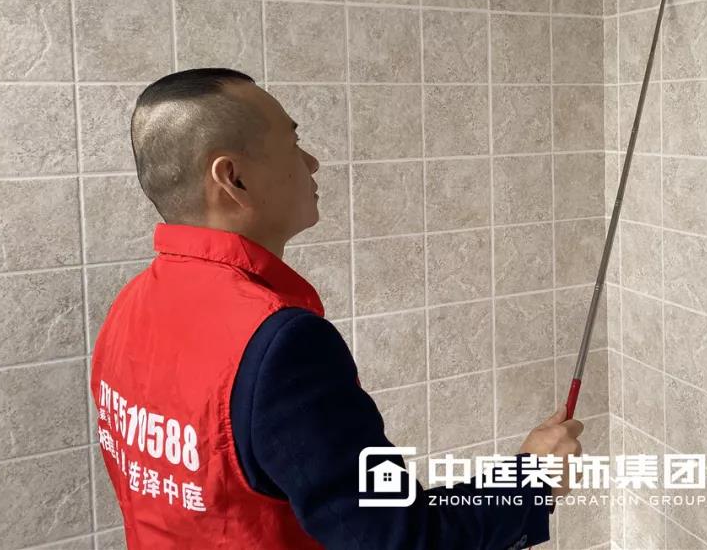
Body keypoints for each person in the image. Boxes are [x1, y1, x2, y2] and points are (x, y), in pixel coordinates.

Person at [90, 67, 584, 549]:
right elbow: (404, 540)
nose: (311, 163)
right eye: (292, 143)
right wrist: (530, 482)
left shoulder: (132, 306)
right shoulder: (278, 345)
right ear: (233, 178)